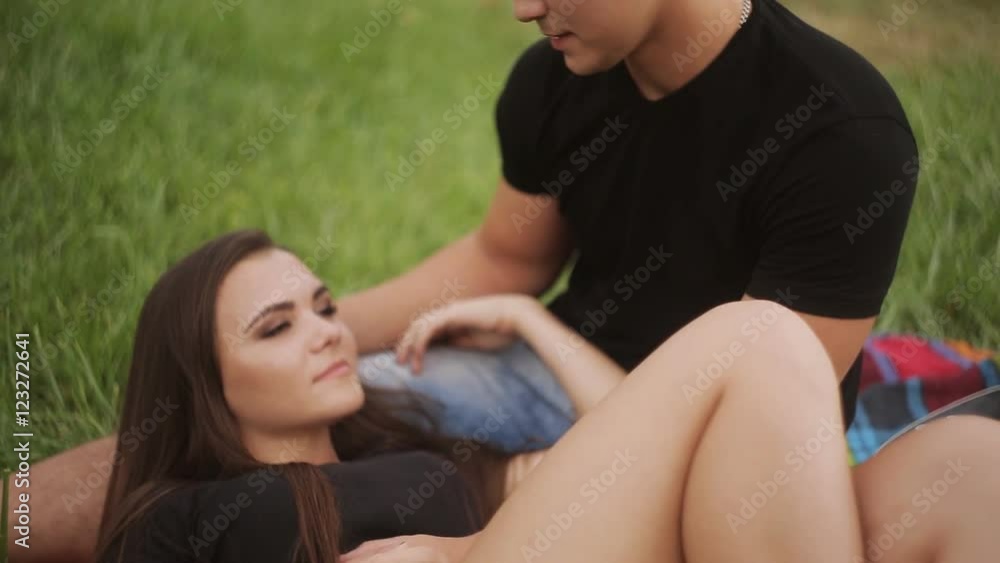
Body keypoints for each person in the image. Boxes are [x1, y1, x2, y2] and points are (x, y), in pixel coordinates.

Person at [0, 0, 958, 559]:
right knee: (220, 416)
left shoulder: (840, 133)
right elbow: (505, 259)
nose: (522, 6)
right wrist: (301, 342)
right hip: (530, 380)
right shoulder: (557, 79)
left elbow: (772, 383)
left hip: (712, 425)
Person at [90, 229, 1000, 563]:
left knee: (966, 465)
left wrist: (533, 321)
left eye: (325, 307)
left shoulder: (403, 442)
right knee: (755, 336)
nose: (330, 330)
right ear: (200, 382)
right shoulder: (188, 519)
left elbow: (637, 455)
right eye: (275, 327)